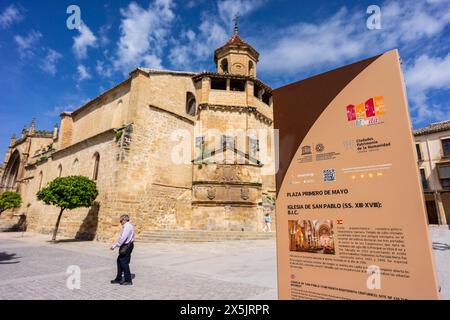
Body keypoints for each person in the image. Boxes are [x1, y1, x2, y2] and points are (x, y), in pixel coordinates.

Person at [110, 214, 135, 285]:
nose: (120, 222)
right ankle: (119, 278)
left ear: (124, 220)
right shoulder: (128, 226)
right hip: (127, 245)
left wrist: (115, 245)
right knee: (119, 261)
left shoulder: (127, 226)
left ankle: (128, 280)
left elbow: (123, 238)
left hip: (126, 246)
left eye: (121, 221)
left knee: (124, 262)